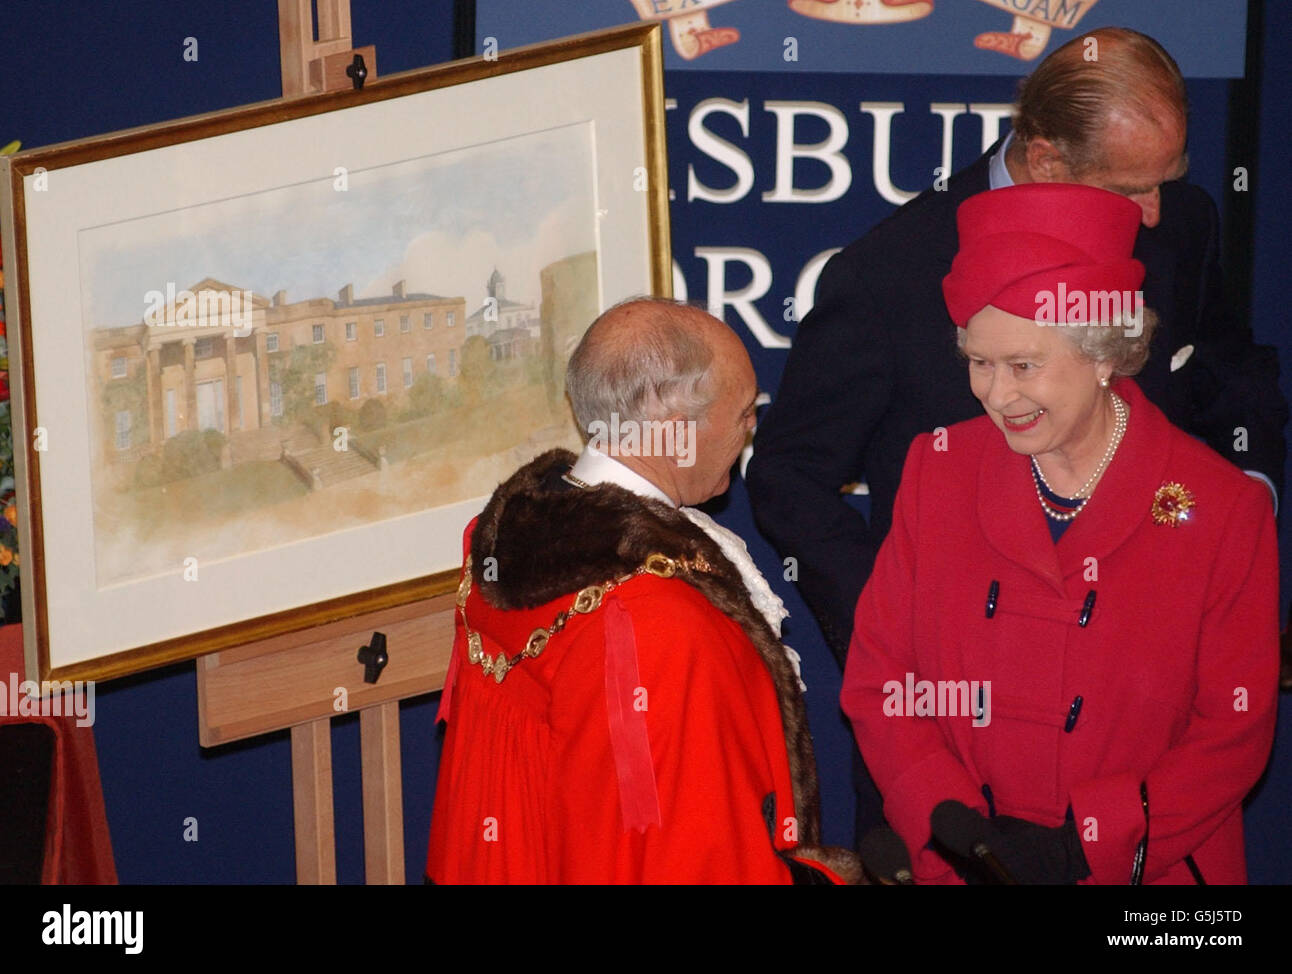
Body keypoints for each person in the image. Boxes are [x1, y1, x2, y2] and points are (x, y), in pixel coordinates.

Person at [748, 27, 1285, 668]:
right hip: (967, 688)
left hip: (1148, 662)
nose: (1153, 213)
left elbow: (1230, 370)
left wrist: (1248, 501)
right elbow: (789, 476)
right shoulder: (888, 277)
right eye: (1129, 189)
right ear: (1048, 161)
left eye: (1165, 180)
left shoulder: (1184, 223)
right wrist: (901, 629)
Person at [840, 183, 1278, 884]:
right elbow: (881, 680)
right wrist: (951, 819)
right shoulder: (938, 470)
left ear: (1105, 354)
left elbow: (1232, 733)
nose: (995, 393)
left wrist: (1087, 845)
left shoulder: (1218, 510)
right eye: (979, 363)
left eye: (1023, 365)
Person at [426, 297, 860, 884]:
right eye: (743, 415)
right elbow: (692, 854)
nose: (751, 432)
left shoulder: (501, 540)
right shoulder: (661, 619)